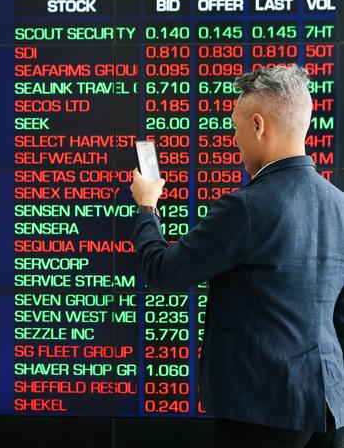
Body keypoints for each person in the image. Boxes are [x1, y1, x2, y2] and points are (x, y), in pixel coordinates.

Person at [130, 64, 344, 448]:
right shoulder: (340, 205)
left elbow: (163, 272)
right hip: (330, 404)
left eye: (235, 127)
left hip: (262, 407)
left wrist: (148, 209)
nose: (234, 139)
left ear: (259, 125)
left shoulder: (247, 207)